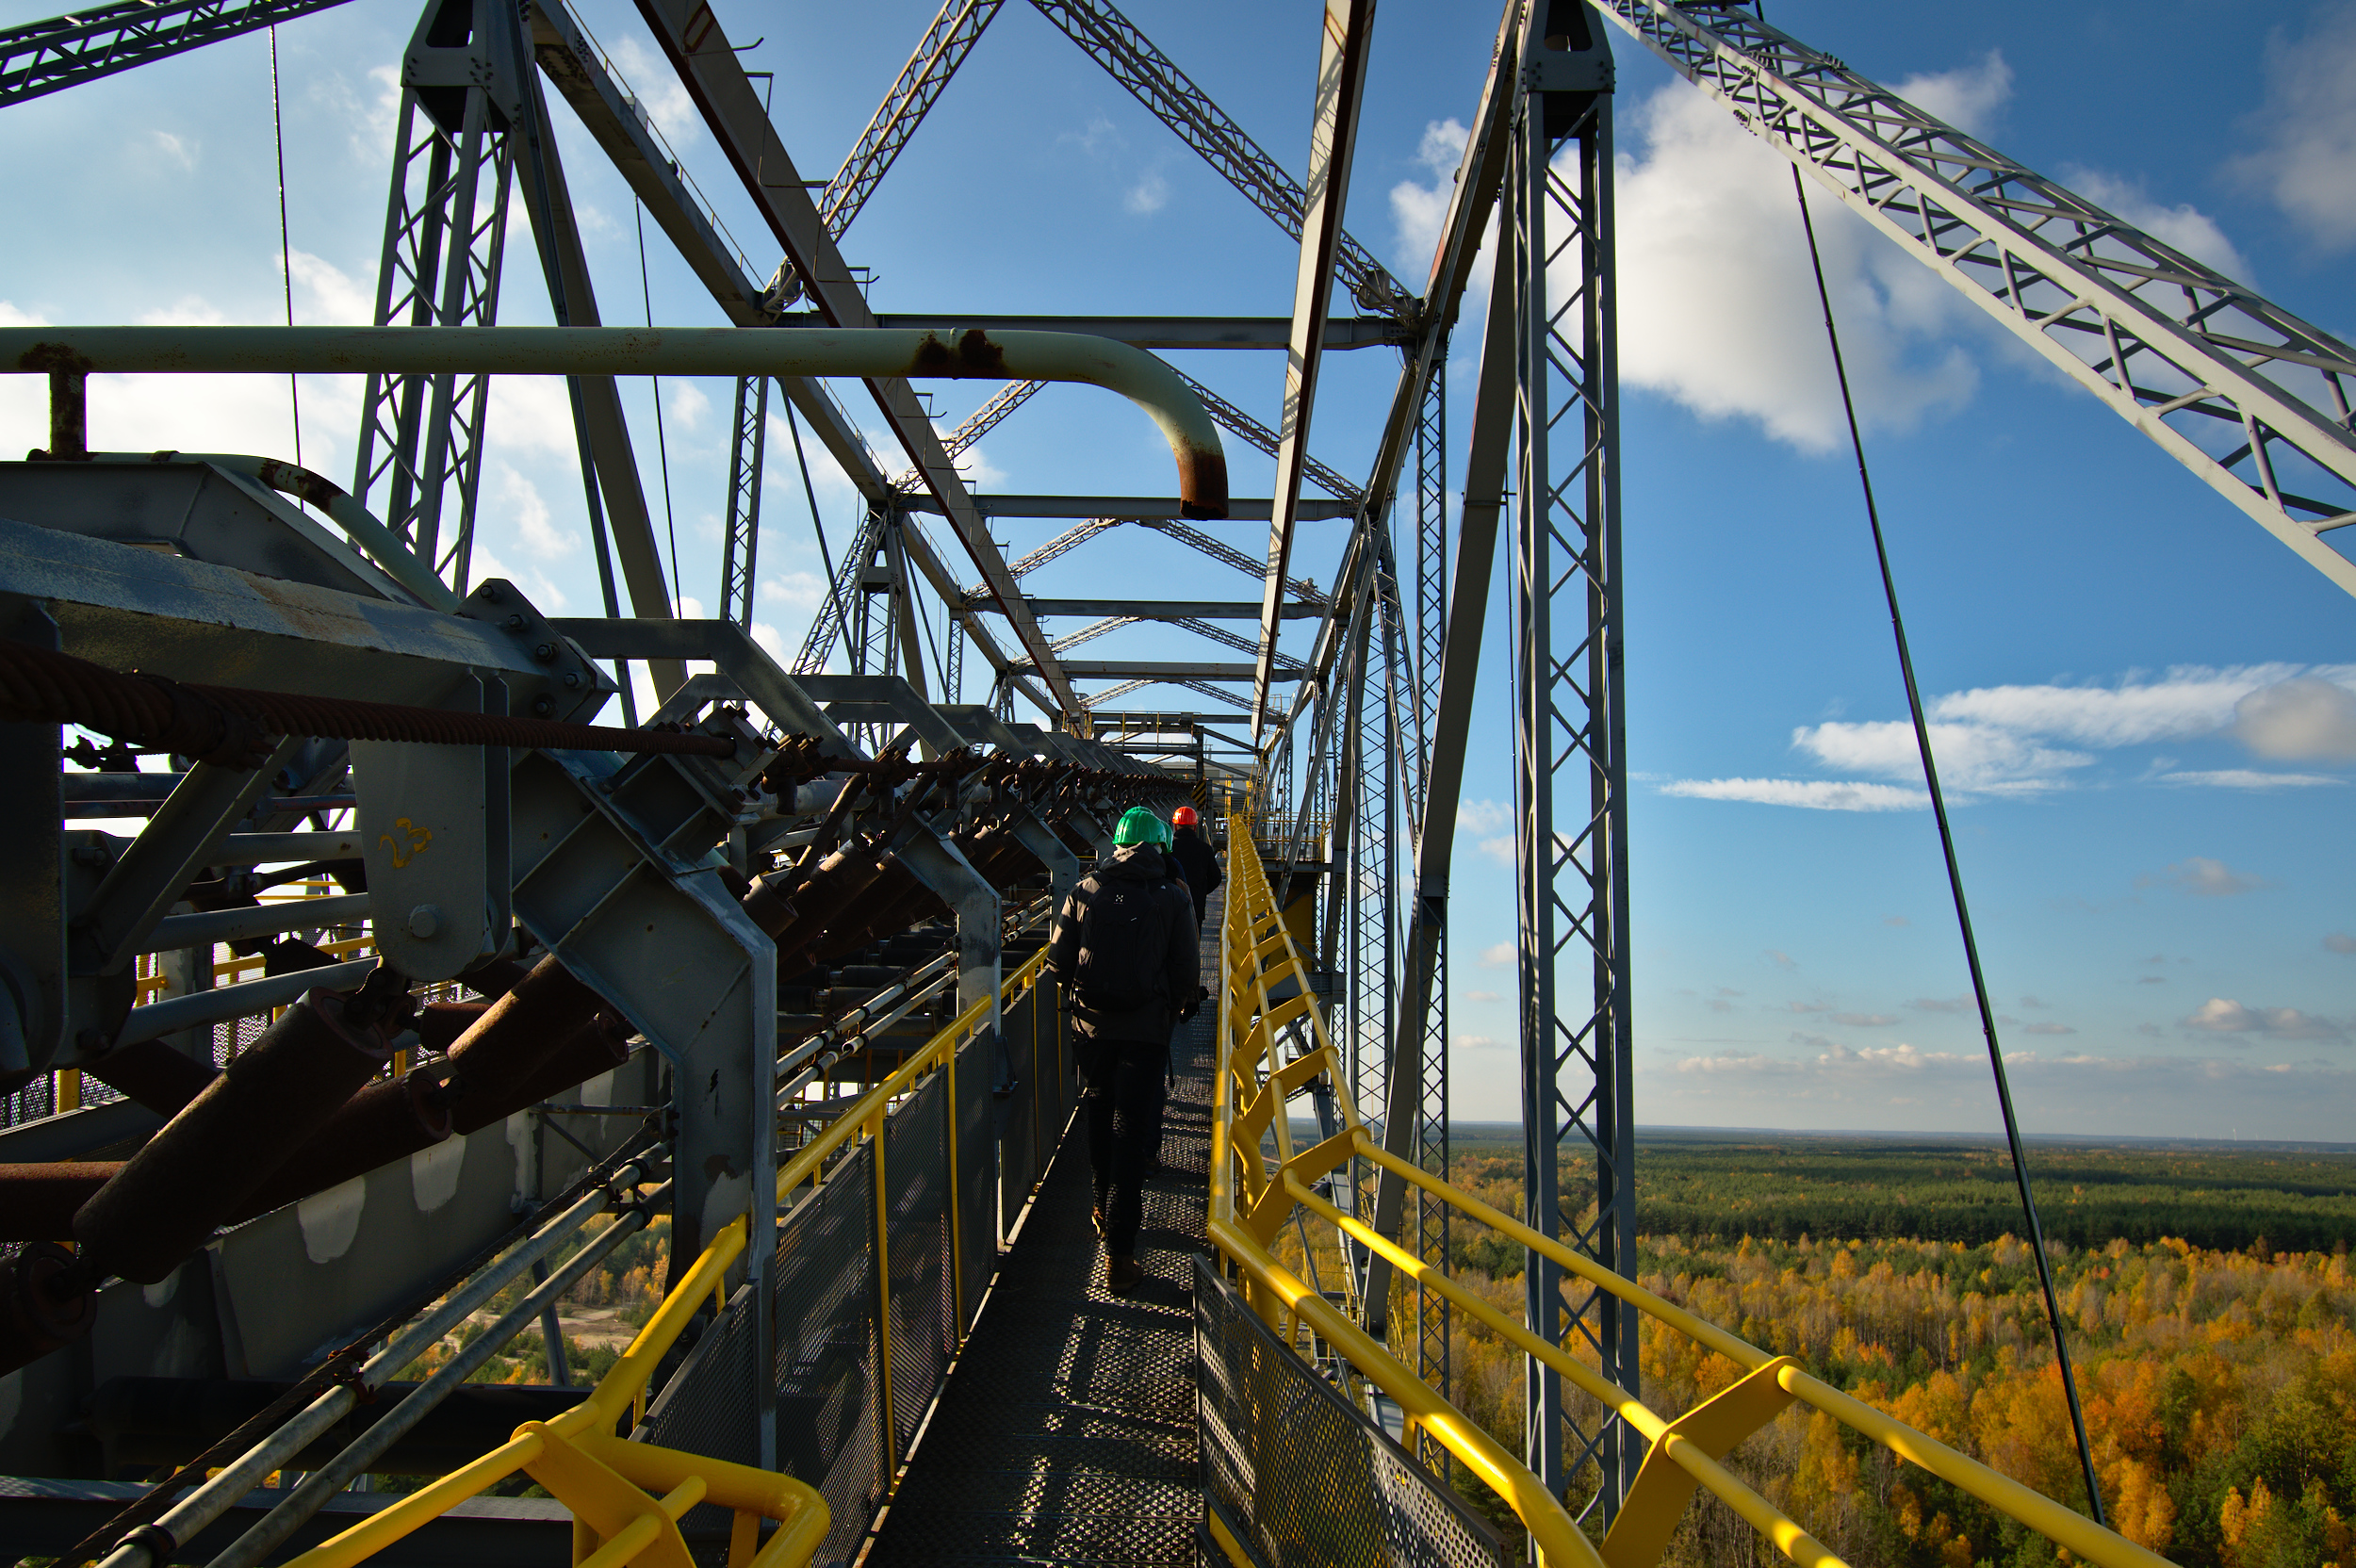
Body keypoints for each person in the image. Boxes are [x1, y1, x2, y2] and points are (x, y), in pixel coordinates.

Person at [1047, 805, 1198, 1292]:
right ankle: (1121, 1253)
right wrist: (1170, 1007)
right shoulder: (1173, 896)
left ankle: (1099, 1203)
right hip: (1145, 1032)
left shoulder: (1084, 889)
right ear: (1160, 846)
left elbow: (1057, 962)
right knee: (1130, 1133)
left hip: (1090, 1030)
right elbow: (1186, 971)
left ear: (1117, 844)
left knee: (1098, 1110)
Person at [1167, 805, 1221, 932]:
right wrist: (1201, 890)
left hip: (1172, 905)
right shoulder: (1205, 849)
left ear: (1175, 826)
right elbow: (1216, 878)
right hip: (1196, 906)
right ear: (1195, 827)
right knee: (1193, 941)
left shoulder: (1169, 849)